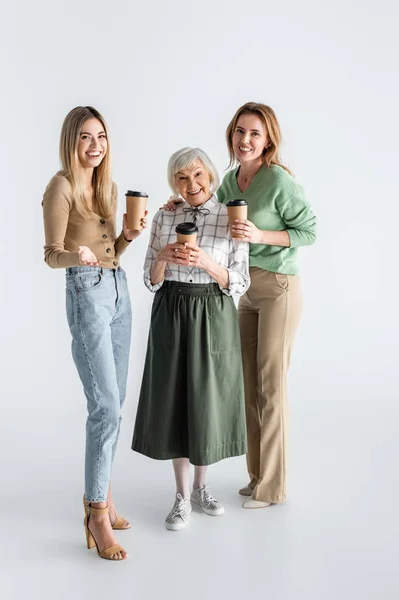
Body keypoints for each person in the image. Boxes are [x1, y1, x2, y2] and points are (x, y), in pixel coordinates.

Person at [164, 103, 316, 509]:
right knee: (248, 386)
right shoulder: (231, 180)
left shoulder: (280, 181)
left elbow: (309, 231)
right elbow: (207, 206)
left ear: (268, 140)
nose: (245, 140)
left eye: (255, 134)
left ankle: (272, 487)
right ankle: (256, 477)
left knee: (271, 386)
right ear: (231, 135)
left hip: (279, 286)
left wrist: (261, 234)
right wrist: (174, 204)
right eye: (240, 132)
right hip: (242, 291)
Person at [42, 106, 147, 560]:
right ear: (72, 141)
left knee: (115, 403)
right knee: (104, 406)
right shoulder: (61, 187)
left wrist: (126, 236)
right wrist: (76, 255)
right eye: (86, 137)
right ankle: (96, 514)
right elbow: (51, 254)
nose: (95, 145)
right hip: (86, 294)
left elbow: (114, 254)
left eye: (101, 136)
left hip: (119, 290)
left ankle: (98, 495)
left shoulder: (108, 187)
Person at [132, 147, 249, 530]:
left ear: (210, 176)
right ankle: (181, 495)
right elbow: (151, 279)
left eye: (197, 175)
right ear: (173, 183)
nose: (191, 184)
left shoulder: (231, 217)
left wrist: (207, 263)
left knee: (206, 401)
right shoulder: (165, 215)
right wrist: (164, 258)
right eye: (181, 178)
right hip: (171, 310)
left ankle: (202, 487)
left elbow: (240, 280)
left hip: (213, 312)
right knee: (174, 399)